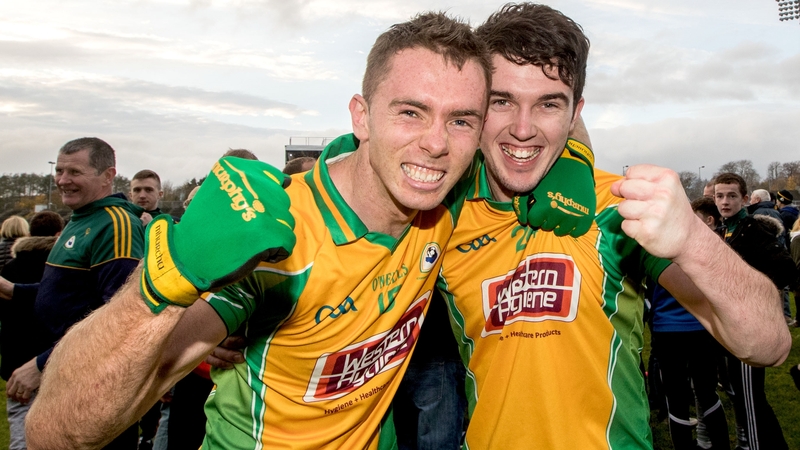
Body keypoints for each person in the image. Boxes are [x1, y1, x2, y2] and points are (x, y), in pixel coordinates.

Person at [26, 12, 498, 449]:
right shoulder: (278, 237)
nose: (436, 143)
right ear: (361, 115)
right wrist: (164, 281)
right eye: (410, 112)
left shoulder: (446, 202)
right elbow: (56, 433)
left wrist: (573, 160)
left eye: (460, 120)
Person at [434, 4, 790, 449]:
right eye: (501, 101)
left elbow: (768, 345)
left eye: (549, 103)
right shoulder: (440, 217)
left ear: (574, 111)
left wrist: (695, 241)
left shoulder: (618, 207)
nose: (522, 129)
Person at [0, 137, 145, 449]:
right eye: (60, 170)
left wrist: (41, 365)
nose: (63, 180)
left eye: (75, 172)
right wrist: (15, 291)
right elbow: (72, 291)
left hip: (88, 389)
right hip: (65, 379)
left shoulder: (115, 224)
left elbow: (121, 318)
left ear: (108, 175)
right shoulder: (80, 217)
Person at [714, 172, 796, 450]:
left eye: (732, 196)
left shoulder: (752, 229)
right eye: (719, 196)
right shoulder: (721, 230)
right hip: (727, 325)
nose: (725, 201)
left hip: (750, 327)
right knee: (738, 394)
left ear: (745, 199)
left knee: (750, 398)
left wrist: (755, 295)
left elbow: (785, 269)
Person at [647, 197, 729, 450]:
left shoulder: (653, 246)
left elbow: (646, 294)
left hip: (668, 330)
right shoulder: (706, 244)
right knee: (706, 394)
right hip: (697, 328)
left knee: (677, 399)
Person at [0, 211, 63, 450]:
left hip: (16, 360)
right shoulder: (62, 268)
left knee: (22, 434)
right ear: (59, 234)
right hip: (53, 359)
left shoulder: (12, 267)